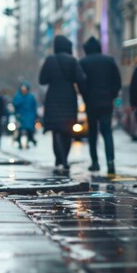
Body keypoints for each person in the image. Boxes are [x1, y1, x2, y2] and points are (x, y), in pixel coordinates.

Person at [39, 35, 86, 172]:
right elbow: (80, 79)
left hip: (53, 98)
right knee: (68, 131)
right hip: (69, 99)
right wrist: (85, 95)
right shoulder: (72, 61)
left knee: (56, 131)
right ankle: (64, 159)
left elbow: (42, 80)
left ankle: (60, 160)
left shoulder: (49, 60)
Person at [79, 36, 121, 174]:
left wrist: (86, 98)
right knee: (107, 132)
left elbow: (81, 84)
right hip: (106, 102)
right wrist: (112, 96)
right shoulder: (109, 60)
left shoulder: (83, 62)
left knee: (92, 134)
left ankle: (95, 162)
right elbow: (117, 81)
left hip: (91, 103)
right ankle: (110, 162)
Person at [13, 82, 37, 149]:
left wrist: (35, 115)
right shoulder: (18, 96)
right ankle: (19, 142)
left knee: (29, 130)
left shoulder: (31, 97)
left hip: (29, 116)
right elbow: (15, 105)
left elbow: (34, 106)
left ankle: (29, 141)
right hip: (21, 116)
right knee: (20, 130)